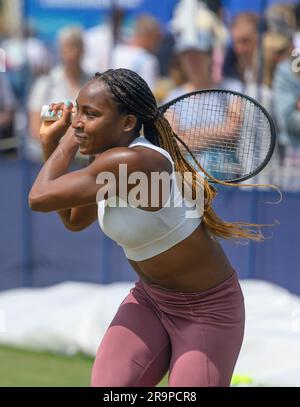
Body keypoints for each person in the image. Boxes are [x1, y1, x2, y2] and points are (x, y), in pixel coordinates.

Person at [29, 68, 267, 387]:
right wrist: (51, 142)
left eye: (91, 114)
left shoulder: (136, 162)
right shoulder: (107, 160)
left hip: (208, 311)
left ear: (127, 123)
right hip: (150, 300)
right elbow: (74, 219)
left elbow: (39, 197)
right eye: (78, 111)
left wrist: (68, 138)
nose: (79, 121)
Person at [27, 26, 90, 162]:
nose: (72, 53)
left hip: (86, 159)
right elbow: (35, 128)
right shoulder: (45, 83)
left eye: (76, 47)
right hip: (52, 159)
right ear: (60, 52)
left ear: (83, 50)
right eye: (67, 48)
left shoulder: (94, 83)